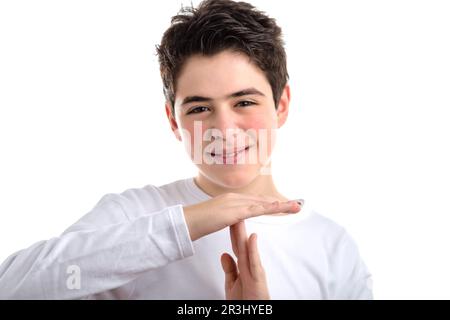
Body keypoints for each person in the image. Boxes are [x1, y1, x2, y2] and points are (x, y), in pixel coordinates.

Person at [0, 0, 373, 299]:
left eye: (244, 102)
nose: (224, 129)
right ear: (174, 120)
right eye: (199, 108)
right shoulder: (132, 213)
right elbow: (12, 289)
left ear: (281, 105)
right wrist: (188, 223)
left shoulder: (332, 246)